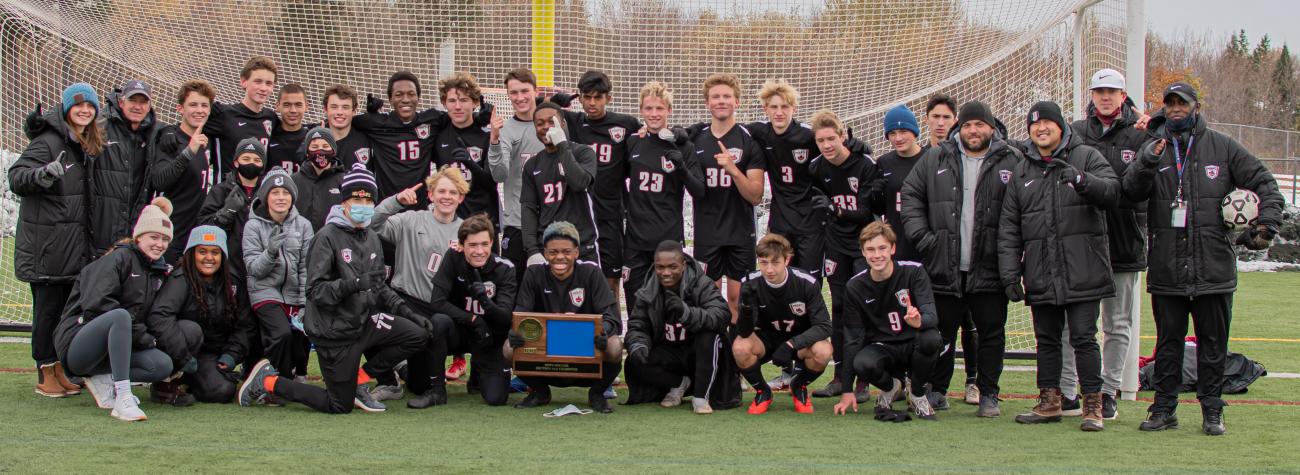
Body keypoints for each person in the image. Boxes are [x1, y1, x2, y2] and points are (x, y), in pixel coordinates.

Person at [1123, 82, 1284, 436]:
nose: (1176, 108)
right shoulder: (1152, 148)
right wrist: (1146, 162)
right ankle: (1164, 408)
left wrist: (1267, 224)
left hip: (1214, 268)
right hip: (1167, 269)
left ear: (1196, 106)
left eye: (1182, 102)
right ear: (1164, 108)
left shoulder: (1223, 147)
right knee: (1167, 346)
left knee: (1213, 348)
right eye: (1170, 103)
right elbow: (1130, 191)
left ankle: (1213, 410)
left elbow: (1264, 182)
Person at [236, 164, 430, 414]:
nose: (362, 202)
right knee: (339, 405)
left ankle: (358, 381)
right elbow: (316, 291)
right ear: (345, 201)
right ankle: (269, 380)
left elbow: (378, 284)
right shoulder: (326, 236)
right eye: (356, 197)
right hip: (333, 331)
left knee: (417, 334)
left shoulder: (371, 236)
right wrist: (354, 284)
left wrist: (407, 312)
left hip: (362, 322)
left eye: (367, 197)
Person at [1000, 101, 1118, 431]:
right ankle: (1050, 400)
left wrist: (1083, 180)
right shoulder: (1022, 170)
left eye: (1047, 124)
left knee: (1084, 337)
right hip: (1041, 271)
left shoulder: (1087, 156)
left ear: (1060, 126)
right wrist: (1011, 274)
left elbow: (1113, 192)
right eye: (1035, 126)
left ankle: (1092, 405)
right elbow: (1009, 228)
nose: (1041, 130)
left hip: (1084, 270)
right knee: (1047, 340)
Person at [901, 101, 1022, 416]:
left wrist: (1010, 250)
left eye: (979, 125)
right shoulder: (935, 157)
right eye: (967, 125)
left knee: (991, 333)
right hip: (944, 264)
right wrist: (926, 240)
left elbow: (1025, 207)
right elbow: (910, 195)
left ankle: (989, 394)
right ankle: (937, 390)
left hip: (990, 265)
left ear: (991, 128)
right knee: (941, 332)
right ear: (960, 128)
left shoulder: (1012, 159)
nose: (973, 130)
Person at [1058, 69, 1149, 420]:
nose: (1105, 97)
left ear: (1123, 95)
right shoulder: (1075, 132)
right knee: (1074, 323)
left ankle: (1108, 391)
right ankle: (1068, 390)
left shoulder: (1139, 133)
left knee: (1118, 323)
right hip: (1080, 242)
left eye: (1112, 91)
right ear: (1091, 95)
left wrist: (1152, 126)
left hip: (1123, 241)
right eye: (1100, 91)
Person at [9, 83, 103, 398]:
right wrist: (41, 175)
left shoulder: (83, 144)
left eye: (89, 106)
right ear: (65, 109)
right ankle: (44, 370)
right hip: (47, 246)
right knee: (46, 313)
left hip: (71, 247)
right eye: (78, 106)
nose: (84, 111)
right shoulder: (48, 142)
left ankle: (60, 368)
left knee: (63, 312)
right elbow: (16, 176)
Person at [53, 198, 178, 421]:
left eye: (165, 239)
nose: (160, 244)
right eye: (154, 237)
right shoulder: (118, 258)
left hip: (114, 347)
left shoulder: (155, 271)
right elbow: (97, 305)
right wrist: (143, 337)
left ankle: (103, 379)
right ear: (139, 236)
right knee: (118, 316)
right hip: (77, 346)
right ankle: (123, 397)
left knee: (161, 365)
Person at [367, 167, 467, 407]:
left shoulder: (466, 230)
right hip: (406, 302)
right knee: (368, 314)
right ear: (430, 195)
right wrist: (396, 201)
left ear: (461, 197)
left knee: (419, 384)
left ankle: (404, 367)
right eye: (441, 191)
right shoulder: (410, 220)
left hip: (439, 309)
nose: (446, 196)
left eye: (453, 192)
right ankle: (386, 378)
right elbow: (370, 222)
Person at [507, 222, 623, 413]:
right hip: (546, 353)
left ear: (576, 252)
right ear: (545, 253)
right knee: (508, 348)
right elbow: (520, 315)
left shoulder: (591, 272)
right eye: (553, 252)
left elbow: (613, 318)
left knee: (614, 345)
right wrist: (514, 332)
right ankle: (539, 391)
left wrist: (604, 331)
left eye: (566, 251)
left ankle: (596, 394)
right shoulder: (534, 273)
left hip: (585, 351)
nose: (560, 257)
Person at [833, 222, 941, 421]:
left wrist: (918, 321)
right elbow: (852, 339)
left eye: (882, 248)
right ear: (863, 252)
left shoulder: (914, 272)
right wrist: (847, 389)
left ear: (892, 248)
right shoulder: (855, 286)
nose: (877, 255)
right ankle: (891, 387)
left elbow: (932, 316)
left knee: (931, 339)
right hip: (884, 348)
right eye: (870, 249)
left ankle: (917, 394)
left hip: (912, 343)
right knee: (862, 363)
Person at [805, 110, 878, 402]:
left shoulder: (864, 164)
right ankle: (839, 376)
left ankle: (862, 380)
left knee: (864, 310)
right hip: (834, 247)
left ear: (843, 136)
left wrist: (835, 210)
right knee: (838, 310)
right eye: (820, 140)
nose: (826, 144)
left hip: (863, 247)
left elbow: (864, 211)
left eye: (831, 138)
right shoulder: (815, 168)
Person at [687, 73, 766, 321]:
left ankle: (735, 357)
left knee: (737, 301)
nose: (721, 101)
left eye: (727, 96)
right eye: (716, 97)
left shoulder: (749, 139)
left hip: (740, 233)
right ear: (707, 103)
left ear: (737, 102)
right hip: (707, 232)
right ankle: (714, 356)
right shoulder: (694, 138)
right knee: (708, 299)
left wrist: (733, 170)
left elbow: (755, 196)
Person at [557, 70, 642, 300]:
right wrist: (557, 100)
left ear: (608, 98)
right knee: (575, 279)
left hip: (610, 214)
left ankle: (612, 331)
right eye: (587, 97)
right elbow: (539, 111)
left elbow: (646, 139)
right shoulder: (573, 122)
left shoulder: (626, 124)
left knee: (610, 282)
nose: (592, 103)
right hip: (578, 214)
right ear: (580, 98)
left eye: (598, 97)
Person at [624, 241, 735, 414]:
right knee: (635, 358)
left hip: (698, 353)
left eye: (672, 267)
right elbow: (637, 325)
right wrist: (638, 344)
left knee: (709, 335)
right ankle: (678, 384)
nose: (666, 273)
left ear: (683, 265)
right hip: (670, 352)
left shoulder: (701, 283)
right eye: (660, 267)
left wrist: (686, 312)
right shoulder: (648, 290)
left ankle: (701, 396)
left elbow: (722, 315)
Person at [148, 226, 255, 404]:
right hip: (181, 350)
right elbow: (159, 317)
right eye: (202, 251)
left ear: (223, 256)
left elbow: (245, 325)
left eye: (215, 252)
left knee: (222, 392)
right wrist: (183, 358)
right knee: (191, 330)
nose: (209, 258)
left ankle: (191, 381)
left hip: (210, 354)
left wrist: (231, 355)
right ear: (192, 253)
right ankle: (166, 381)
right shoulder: (180, 278)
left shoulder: (233, 283)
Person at [733, 234, 833, 415]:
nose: (769, 269)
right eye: (764, 263)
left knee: (824, 350)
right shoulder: (750, 283)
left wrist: (790, 345)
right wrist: (746, 308)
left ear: (787, 260)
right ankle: (763, 392)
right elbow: (744, 331)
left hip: (797, 341)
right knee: (740, 347)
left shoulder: (806, 283)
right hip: (765, 341)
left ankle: (798, 385)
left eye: (775, 262)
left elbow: (824, 326)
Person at [622, 81, 700, 303]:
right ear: (641, 111)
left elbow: (699, 191)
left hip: (668, 238)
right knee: (635, 301)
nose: (654, 114)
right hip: (635, 240)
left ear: (669, 110)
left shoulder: (684, 147)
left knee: (670, 302)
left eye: (659, 108)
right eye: (648, 108)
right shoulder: (633, 142)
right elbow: (615, 179)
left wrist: (682, 169)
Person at [428, 214, 519, 406]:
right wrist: (473, 319)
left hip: (490, 336)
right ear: (462, 245)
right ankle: (437, 390)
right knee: (438, 322)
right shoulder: (453, 258)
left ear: (492, 243)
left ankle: (478, 372)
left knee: (496, 398)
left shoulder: (505, 268)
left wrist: (485, 302)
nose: (479, 251)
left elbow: (505, 317)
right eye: (472, 245)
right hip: (462, 330)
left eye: (485, 244)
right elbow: (437, 302)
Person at [243, 167, 315, 389]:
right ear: (265, 196)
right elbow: (254, 269)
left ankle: (294, 375)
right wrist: (270, 252)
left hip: (293, 293)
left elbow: (306, 267)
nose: (281, 198)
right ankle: (277, 383)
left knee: (301, 338)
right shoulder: (253, 225)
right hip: (264, 291)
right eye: (275, 192)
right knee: (281, 334)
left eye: (285, 192)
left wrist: (304, 302)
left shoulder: (303, 225)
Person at [521, 101, 600, 265]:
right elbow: (528, 208)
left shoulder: (583, 152)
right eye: (540, 123)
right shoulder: (532, 165)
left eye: (551, 121)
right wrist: (532, 250)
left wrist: (562, 144)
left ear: (563, 123)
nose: (546, 126)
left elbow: (580, 183)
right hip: (548, 247)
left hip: (582, 245)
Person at [152, 80, 218, 263]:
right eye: (193, 104)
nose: (199, 110)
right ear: (180, 108)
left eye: (204, 105)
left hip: (197, 236)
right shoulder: (170, 140)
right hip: (171, 235)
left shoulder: (208, 142)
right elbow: (160, 180)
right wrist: (189, 151)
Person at [487, 68, 545, 279]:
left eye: (524, 91)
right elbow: (499, 175)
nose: (519, 98)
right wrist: (494, 140)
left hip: (551, 223)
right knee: (516, 291)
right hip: (518, 224)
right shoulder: (505, 129)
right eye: (513, 93)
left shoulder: (553, 122)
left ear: (535, 91)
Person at [94, 80, 158, 252]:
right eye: (132, 100)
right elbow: (70, 129)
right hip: (100, 229)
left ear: (150, 105)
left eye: (143, 102)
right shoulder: (100, 125)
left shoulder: (155, 133)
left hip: (134, 232)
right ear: (121, 102)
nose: (137, 106)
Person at [434, 72, 501, 229]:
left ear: (475, 102)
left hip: (483, 220)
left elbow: (492, 183)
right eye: (452, 101)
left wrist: (470, 163)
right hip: (448, 219)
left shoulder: (487, 135)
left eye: (464, 100)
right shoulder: (438, 135)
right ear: (444, 103)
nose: (457, 106)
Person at [203, 56, 279, 180]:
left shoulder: (271, 118)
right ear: (244, 81)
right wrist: (169, 133)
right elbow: (190, 121)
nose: (263, 88)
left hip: (257, 195)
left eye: (269, 83)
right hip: (225, 195)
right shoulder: (223, 114)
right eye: (258, 81)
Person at [199, 138, 265, 278]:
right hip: (228, 269)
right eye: (246, 158)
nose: (251, 163)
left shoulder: (268, 192)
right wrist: (225, 214)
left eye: (256, 160)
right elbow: (204, 228)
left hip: (260, 267)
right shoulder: (220, 190)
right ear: (236, 162)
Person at [291, 126, 347, 230]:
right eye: (314, 147)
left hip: (332, 242)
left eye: (325, 146)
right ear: (307, 152)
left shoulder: (345, 181)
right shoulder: (293, 181)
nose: (320, 151)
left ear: (333, 150)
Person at [322, 84, 372, 169]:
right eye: (334, 107)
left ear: (354, 111)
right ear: (325, 109)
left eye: (345, 107)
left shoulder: (367, 139)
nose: (340, 112)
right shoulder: (313, 140)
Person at [267, 83, 310, 173]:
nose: (293, 110)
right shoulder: (268, 138)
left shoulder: (313, 139)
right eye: (287, 105)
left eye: (298, 105)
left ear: (306, 106)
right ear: (277, 106)